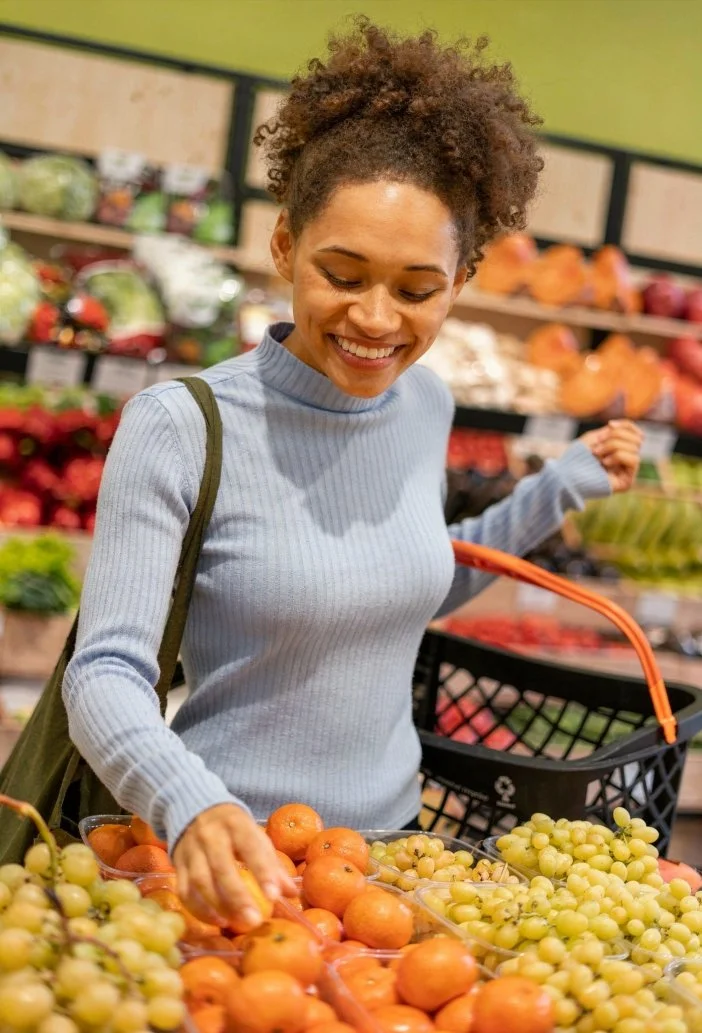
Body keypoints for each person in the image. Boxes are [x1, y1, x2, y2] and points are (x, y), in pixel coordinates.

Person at [63, 19, 643, 932]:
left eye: (417, 289)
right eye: (342, 273)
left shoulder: (426, 406)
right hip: (227, 852)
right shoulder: (180, 425)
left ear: (462, 278)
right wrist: (188, 803)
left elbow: (413, 578)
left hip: (396, 857)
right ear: (286, 247)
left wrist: (556, 488)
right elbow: (102, 673)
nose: (376, 318)